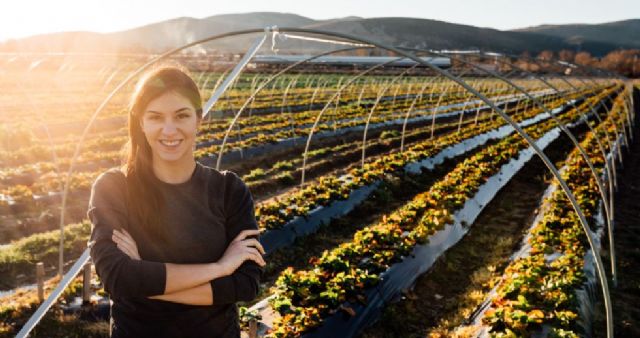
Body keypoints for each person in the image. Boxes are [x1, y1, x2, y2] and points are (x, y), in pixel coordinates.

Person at [86, 65, 266, 338]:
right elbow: (117, 278)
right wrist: (218, 269)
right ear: (141, 122)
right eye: (156, 117)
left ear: (198, 119)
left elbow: (245, 283)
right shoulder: (114, 188)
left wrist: (145, 282)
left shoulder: (228, 189)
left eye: (181, 116)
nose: (169, 130)